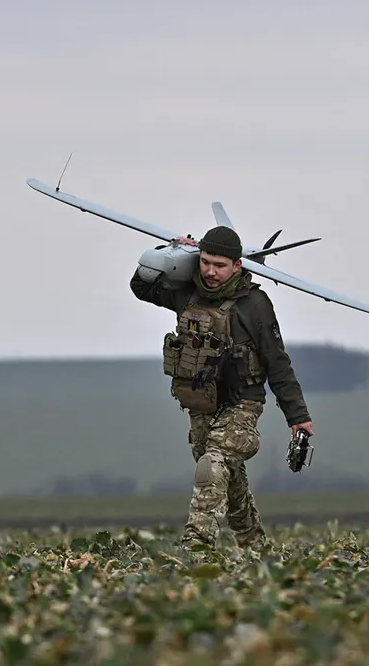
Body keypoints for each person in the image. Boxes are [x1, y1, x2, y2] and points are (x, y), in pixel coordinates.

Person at [130, 224, 314, 552]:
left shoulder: (255, 304)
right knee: (227, 479)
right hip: (203, 400)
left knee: (212, 465)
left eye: (219, 265)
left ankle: (196, 547)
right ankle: (254, 546)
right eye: (205, 262)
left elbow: (278, 362)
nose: (211, 272)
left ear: (237, 266)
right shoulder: (187, 291)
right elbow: (141, 287)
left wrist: (297, 416)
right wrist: (171, 254)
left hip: (243, 401)